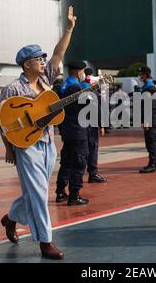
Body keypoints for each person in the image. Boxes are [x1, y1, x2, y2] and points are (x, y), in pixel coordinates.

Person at [0, 6, 77, 260]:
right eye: (38, 59)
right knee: (40, 195)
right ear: (26, 63)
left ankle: (10, 218)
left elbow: (59, 52)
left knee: (38, 190)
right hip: (26, 146)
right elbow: (3, 122)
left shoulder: (46, 80)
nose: (44, 61)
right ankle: (45, 242)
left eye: (43, 59)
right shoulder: (12, 89)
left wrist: (69, 29)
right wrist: (9, 148)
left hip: (48, 142)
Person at [55, 61, 91, 206]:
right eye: (82, 71)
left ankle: (60, 191)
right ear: (79, 72)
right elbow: (88, 106)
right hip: (78, 130)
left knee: (66, 162)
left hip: (66, 129)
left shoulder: (61, 87)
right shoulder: (76, 87)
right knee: (79, 163)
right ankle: (74, 195)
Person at [138, 66, 156, 174]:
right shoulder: (147, 86)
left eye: (141, 74)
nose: (140, 76)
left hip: (150, 117)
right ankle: (155, 163)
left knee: (150, 142)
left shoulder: (150, 88)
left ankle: (152, 164)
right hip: (150, 117)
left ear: (145, 75)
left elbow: (149, 106)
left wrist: (145, 120)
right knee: (151, 141)